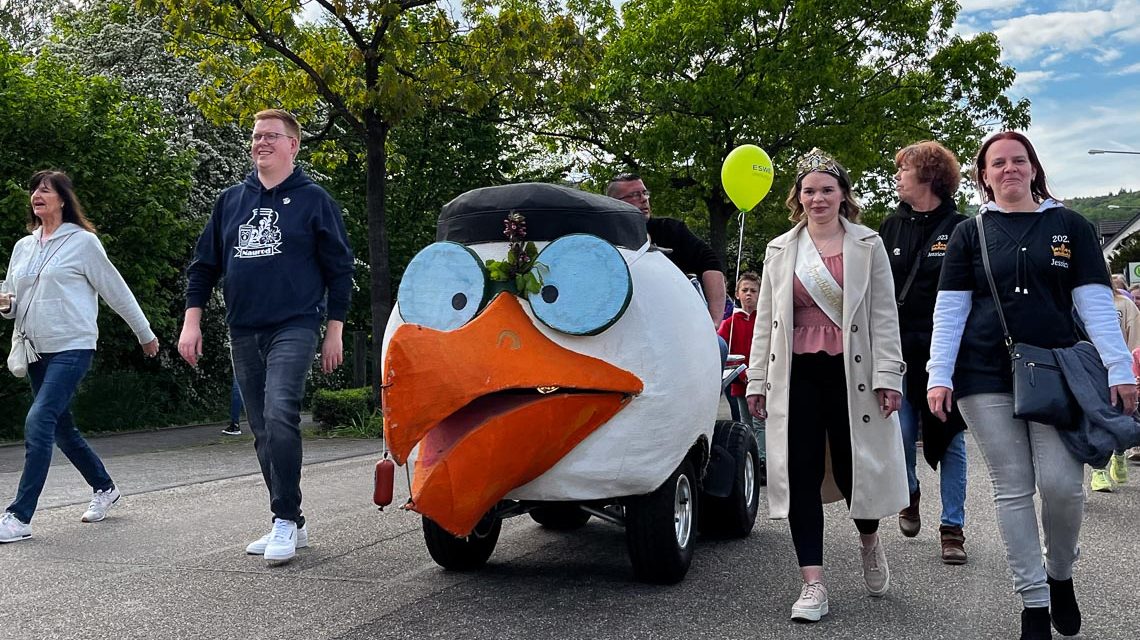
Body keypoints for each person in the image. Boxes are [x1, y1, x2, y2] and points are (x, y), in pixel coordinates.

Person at [927, 131, 1137, 640]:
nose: (1009, 169)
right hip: (983, 374)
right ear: (984, 175)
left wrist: (1120, 370)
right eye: (997, 163)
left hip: (1054, 370)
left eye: (1018, 160)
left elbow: (1094, 305)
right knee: (1012, 488)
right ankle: (1033, 606)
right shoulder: (968, 234)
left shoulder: (1071, 226)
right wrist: (938, 374)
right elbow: (950, 311)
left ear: (1034, 168)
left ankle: (1059, 573)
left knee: (1063, 488)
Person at [178, 109, 354, 565]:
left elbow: (339, 269)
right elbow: (204, 266)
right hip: (242, 328)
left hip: (295, 324)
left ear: (293, 146)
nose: (261, 143)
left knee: (280, 414)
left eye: (272, 137)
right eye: (256, 136)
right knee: (260, 429)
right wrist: (191, 321)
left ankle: (283, 518)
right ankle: (292, 519)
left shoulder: (315, 200)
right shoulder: (231, 201)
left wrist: (333, 329)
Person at [746, 148, 908, 623]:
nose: (817, 198)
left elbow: (883, 313)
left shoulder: (867, 244)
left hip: (852, 373)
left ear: (843, 195)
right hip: (795, 374)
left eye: (827, 189)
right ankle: (813, 583)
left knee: (858, 472)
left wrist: (888, 375)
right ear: (798, 196)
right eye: (809, 190)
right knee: (801, 475)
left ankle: (869, 540)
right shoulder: (780, 249)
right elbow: (764, 322)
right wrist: (757, 378)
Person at [0, 170, 159, 544]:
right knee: (61, 428)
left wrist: (144, 333)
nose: (37, 195)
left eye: (45, 190)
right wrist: (6, 307)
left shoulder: (83, 243)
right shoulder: (23, 246)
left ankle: (19, 516)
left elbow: (115, 290)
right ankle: (104, 487)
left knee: (38, 421)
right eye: (34, 190)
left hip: (73, 345)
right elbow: (10, 297)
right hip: (35, 348)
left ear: (62, 199)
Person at [878, 141, 970, 564]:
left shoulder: (961, 228)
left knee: (951, 440)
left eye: (904, 169)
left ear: (929, 176)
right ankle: (909, 491)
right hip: (898, 351)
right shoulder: (889, 227)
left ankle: (952, 528)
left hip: (946, 354)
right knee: (899, 433)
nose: (897, 176)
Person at [606, 174, 727, 325]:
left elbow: (709, 261)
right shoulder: (602, 239)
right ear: (614, 203)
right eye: (635, 195)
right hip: (622, 328)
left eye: (645, 193)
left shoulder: (671, 230)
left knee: (720, 346)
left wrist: (714, 320)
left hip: (675, 324)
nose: (644, 199)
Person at [1088, 280, 1140, 491]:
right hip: (1091, 368)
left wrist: (1131, 369)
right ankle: (1098, 469)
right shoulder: (1082, 304)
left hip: (1120, 371)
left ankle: (1119, 454)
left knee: (1121, 415)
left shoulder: (1125, 305)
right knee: (1095, 418)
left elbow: (1135, 337)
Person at [718, 272, 765, 480]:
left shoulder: (765, 321)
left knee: (761, 422)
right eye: (744, 290)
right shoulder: (729, 324)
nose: (749, 295)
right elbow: (720, 349)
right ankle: (753, 462)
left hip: (763, 382)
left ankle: (763, 462)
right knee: (746, 424)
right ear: (737, 294)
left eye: (753, 291)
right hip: (739, 383)